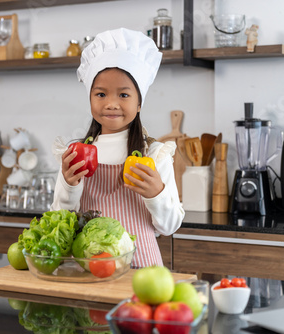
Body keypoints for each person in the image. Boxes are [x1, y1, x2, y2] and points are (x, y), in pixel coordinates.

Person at [50, 28, 184, 268]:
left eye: (123, 95)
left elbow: (170, 226)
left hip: (143, 271)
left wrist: (156, 194)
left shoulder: (154, 154)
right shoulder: (75, 153)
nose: (111, 104)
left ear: (139, 102)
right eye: (101, 94)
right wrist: (69, 186)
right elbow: (59, 220)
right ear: (90, 99)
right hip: (91, 268)